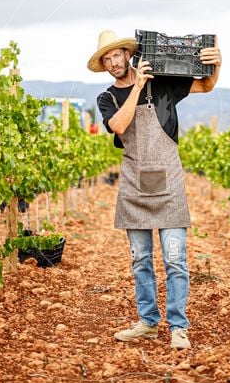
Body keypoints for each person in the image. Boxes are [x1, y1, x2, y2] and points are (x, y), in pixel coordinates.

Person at [88, 29, 221, 350]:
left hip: (168, 180)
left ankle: (178, 327)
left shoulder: (162, 82)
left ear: (128, 54)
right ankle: (148, 322)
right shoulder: (106, 98)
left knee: (175, 259)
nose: (112, 62)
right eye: (106, 59)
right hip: (134, 183)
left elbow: (205, 84)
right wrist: (137, 87)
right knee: (140, 260)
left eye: (115, 55)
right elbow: (119, 126)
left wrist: (218, 62)